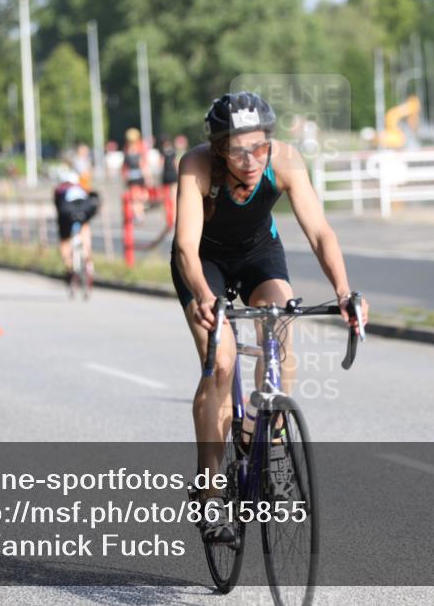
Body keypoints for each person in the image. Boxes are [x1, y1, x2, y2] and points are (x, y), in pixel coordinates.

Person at [171, 92, 369, 542]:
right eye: (239, 150)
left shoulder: (285, 161)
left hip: (259, 252)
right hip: (204, 262)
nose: (251, 158)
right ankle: (209, 490)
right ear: (220, 148)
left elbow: (319, 232)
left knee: (281, 325)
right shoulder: (197, 166)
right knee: (220, 362)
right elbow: (184, 246)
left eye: (260, 146)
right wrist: (203, 295)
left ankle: (270, 444)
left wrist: (343, 291)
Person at [53, 170, 100, 284]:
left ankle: (69, 268)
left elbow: (58, 208)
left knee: (65, 241)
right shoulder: (82, 188)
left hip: (66, 215)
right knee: (84, 230)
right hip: (84, 212)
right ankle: (88, 260)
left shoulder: (60, 190)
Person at [122, 128, 150, 223]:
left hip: (131, 177)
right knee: (138, 197)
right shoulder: (140, 150)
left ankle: (138, 214)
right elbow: (143, 165)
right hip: (139, 176)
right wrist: (147, 177)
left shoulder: (127, 151)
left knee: (134, 198)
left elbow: (124, 167)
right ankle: (139, 213)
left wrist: (125, 177)